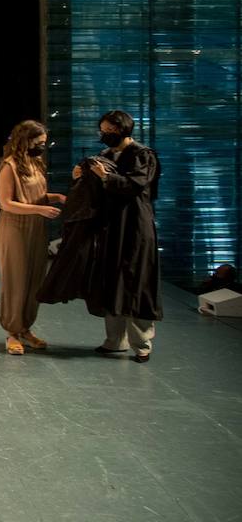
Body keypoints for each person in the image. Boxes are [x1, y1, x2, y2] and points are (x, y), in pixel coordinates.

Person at [78, 110, 161, 363]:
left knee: (137, 282)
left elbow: (135, 185)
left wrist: (106, 177)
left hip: (135, 226)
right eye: (103, 130)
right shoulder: (104, 156)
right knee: (112, 280)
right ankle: (114, 340)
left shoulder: (142, 155)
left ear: (122, 130)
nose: (105, 135)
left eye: (109, 131)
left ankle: (142, 344)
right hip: (112, 226)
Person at [0, 120, 64, 355]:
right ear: (26, 140)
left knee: (35, 279)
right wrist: (39, 209)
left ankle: (25, 329)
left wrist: (56, 198)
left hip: (36, 227)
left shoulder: (35, 163)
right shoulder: (9, 166)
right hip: (15, 227)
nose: (42, 146)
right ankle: (12, 331)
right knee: (17, 280)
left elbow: (37, 195)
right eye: (39, 142)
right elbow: (5, 203)